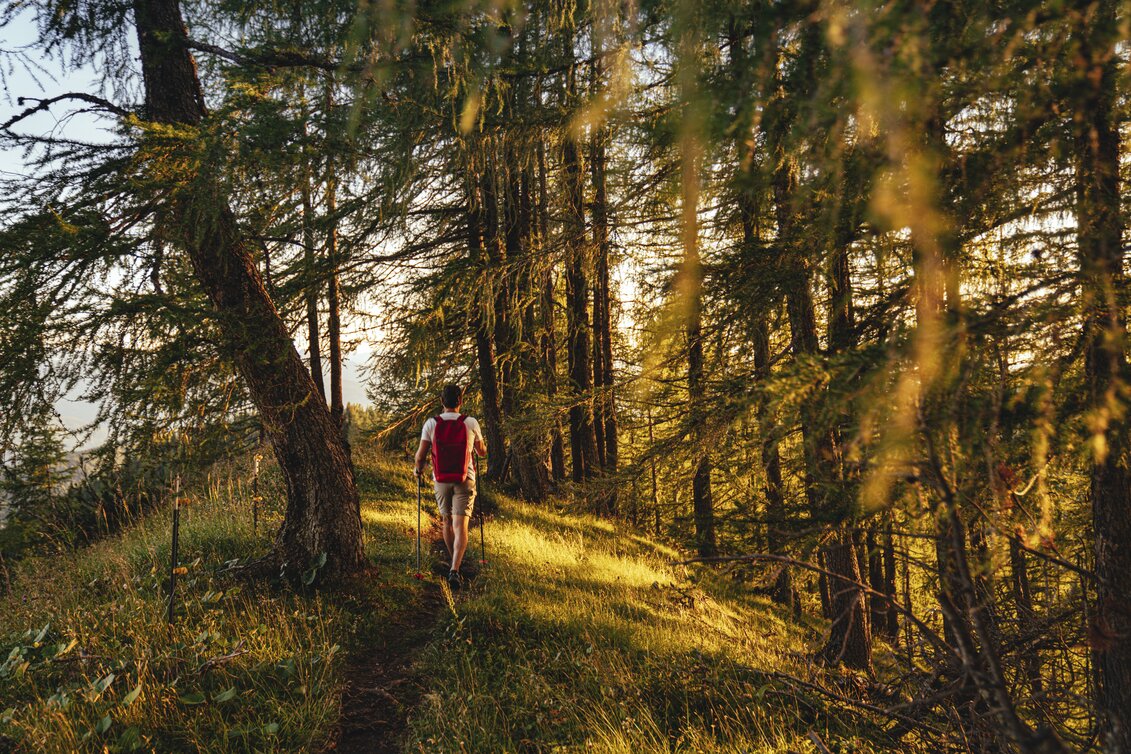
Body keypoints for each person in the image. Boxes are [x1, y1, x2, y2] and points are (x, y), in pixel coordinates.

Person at [414, 384, 487, 589]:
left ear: (441, 402)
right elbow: (482, 452)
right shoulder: (471, 422)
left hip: (441, 479)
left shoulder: (431, 423)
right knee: (460, 525)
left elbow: (420, 456)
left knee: (447, 521)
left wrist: (418, 469)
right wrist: (481, 445)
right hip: (466, 479)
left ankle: (453, 562)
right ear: (461, 401)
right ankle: (455, 568)